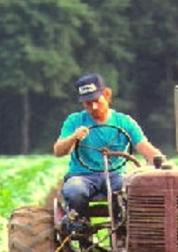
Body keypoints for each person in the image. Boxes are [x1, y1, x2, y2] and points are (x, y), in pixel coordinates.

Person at [53, 73, 164, 233]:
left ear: (107, 95)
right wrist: (73, 138)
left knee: (127, 189)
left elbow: (144, 147)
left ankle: (122, 229)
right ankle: (81, 227)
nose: (94, 108)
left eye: (96, 101)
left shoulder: (124, 122)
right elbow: (58, 151)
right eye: (88, 103)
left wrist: (163, 163)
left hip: (114, 175)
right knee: (74, 190)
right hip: (82, 175)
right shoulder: (74, 121)